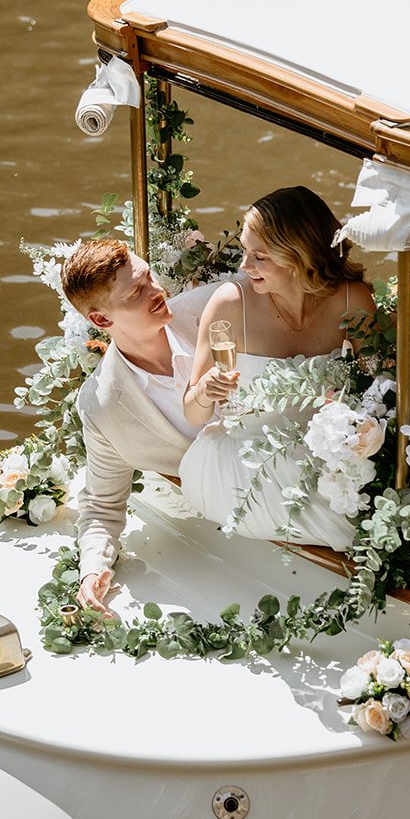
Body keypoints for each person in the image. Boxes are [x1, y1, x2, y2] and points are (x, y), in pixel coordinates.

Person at [180, 185, 376, 549]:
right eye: (243, 250)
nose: (244, 265)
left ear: (300, 256)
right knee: (359, 531)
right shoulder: (229, 304)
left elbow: (380, 385)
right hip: (243, 465)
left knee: (380, 516)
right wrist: (205, 391)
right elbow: (193, 413)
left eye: (260, 257)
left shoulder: (350, 299)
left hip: (327, 457)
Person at [60, 238, 223, 614]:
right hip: (222, 529)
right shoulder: (102, 407)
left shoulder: (212, 309)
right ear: (101, 320)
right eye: (137, 292)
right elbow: (102, 506)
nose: (157, 291)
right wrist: (92, 571)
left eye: (149, 276)